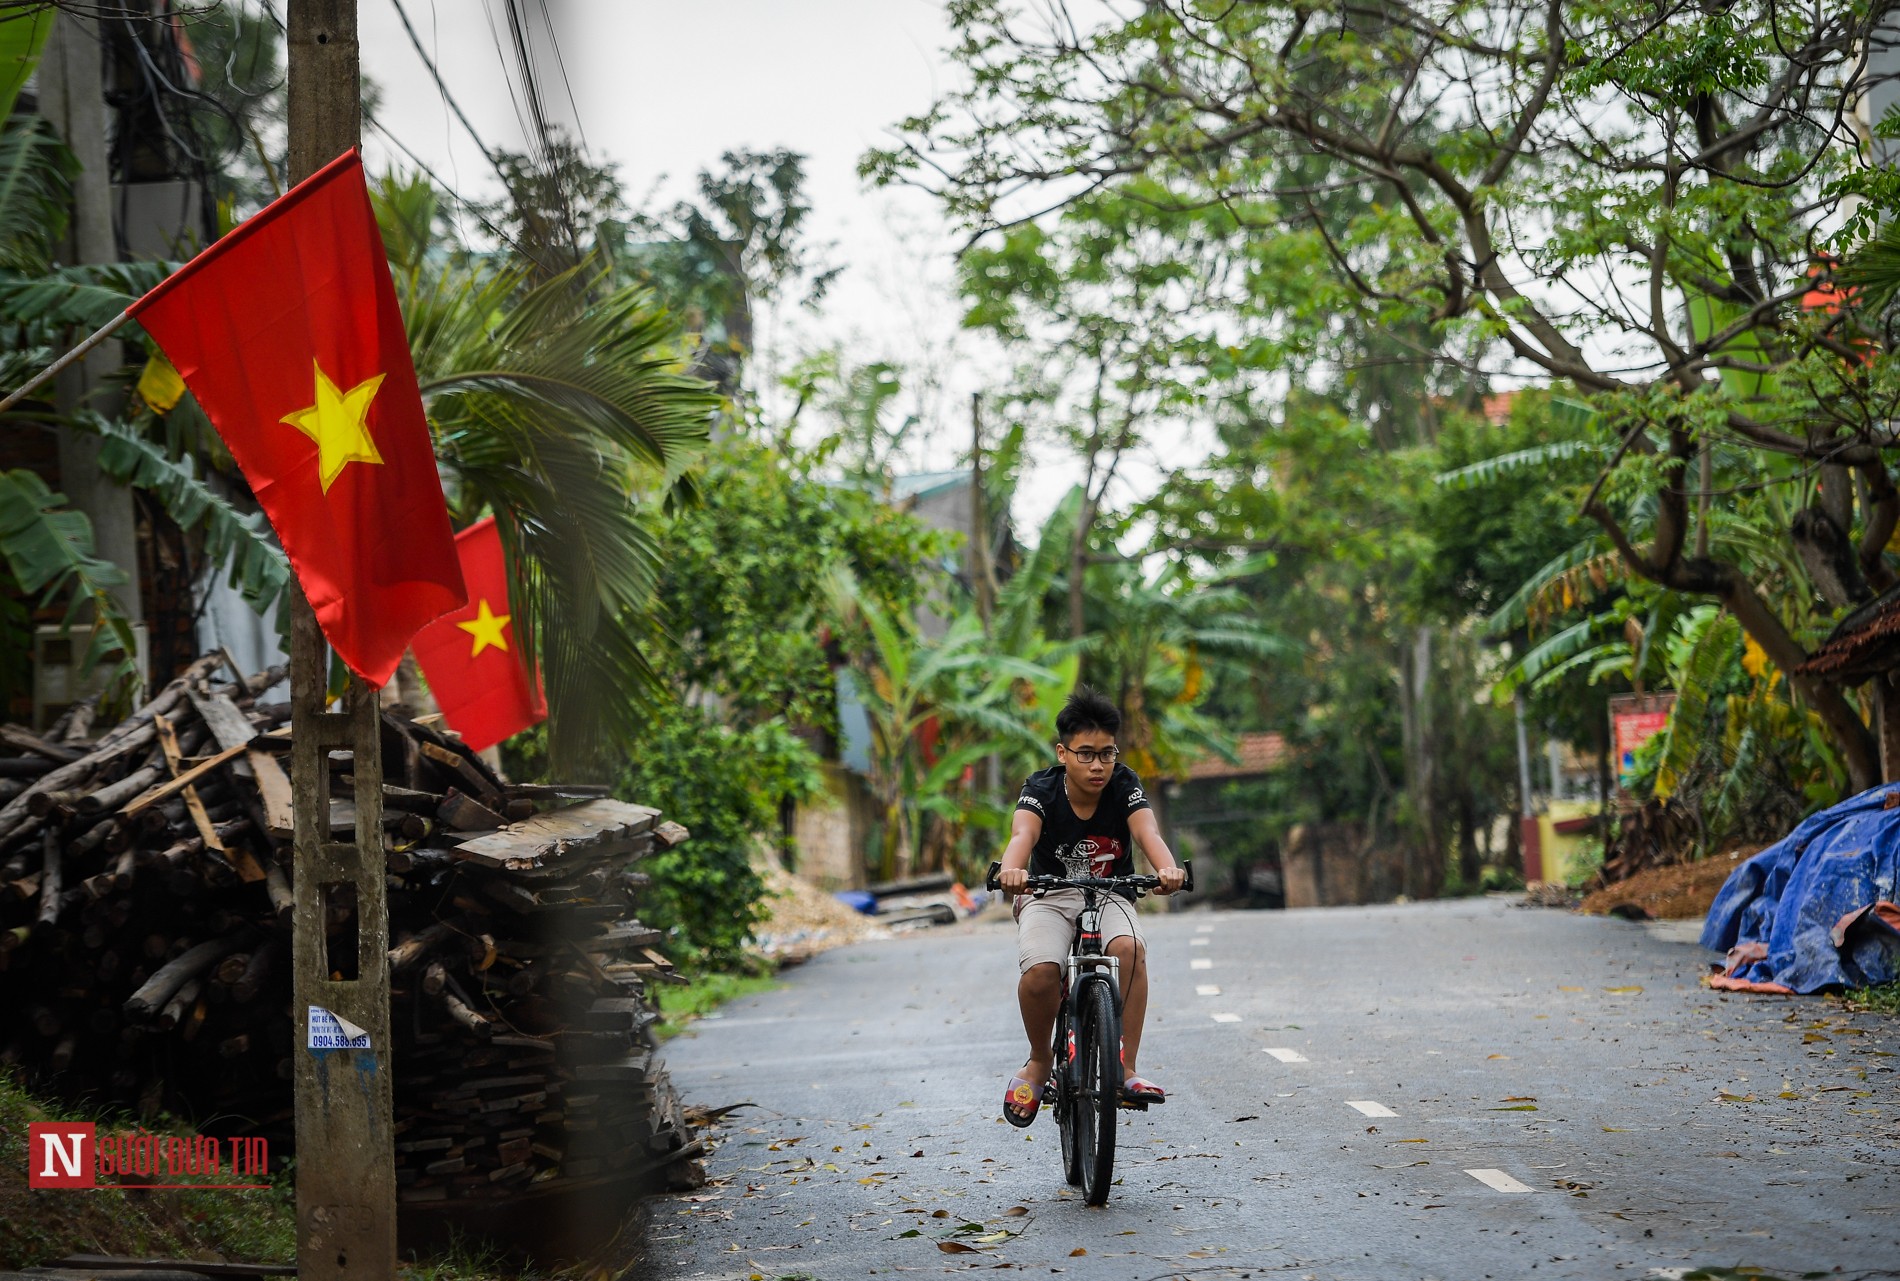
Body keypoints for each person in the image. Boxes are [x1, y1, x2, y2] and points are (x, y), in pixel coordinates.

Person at [997, 687, 1186, 1126]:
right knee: (1042, 970)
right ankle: (1040, 1061)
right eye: (1085, 754)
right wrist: (1012, 871)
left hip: (1111, 890)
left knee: (1131, 949)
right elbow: (1021, 836)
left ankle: (1125, 1070)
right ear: (1062, 752)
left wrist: (1168, 871)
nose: (1098, 765)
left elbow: (1148, 834)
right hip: (1048, 893)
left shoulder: (1125, 784)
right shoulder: (1040, 787)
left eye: (1107, 753)